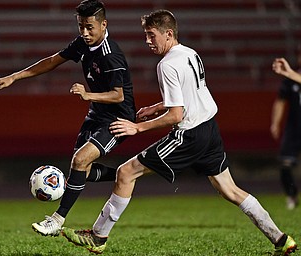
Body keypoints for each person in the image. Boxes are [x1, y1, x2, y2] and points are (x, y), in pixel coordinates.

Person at [61, 9, 297, 255]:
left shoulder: (166, 65)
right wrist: (154, 107)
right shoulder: (190, 53)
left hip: (189, 134)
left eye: (152, 36)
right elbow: (190, 94)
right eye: (146, 35)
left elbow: (176, 115)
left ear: (169, 34)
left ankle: (98, 237)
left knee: (126, 172)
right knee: (231, 190)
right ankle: (281, 239)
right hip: (209, 129)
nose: (148, 41)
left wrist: (137, 127)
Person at [0, 0, 136, 236]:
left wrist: (87, 94)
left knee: (79, 161)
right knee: (80, 170)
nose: (84, 33)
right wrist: (15, 76)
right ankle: (127, 173)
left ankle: (57, 220)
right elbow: (53, 61)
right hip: (97, 114)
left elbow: (118, 96)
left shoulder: (111, 55)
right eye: (80, 26)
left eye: (89, 27)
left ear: (104, 24)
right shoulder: (83, 44)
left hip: (118, 120)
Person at [271, 53, 301, 210]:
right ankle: (291, 195)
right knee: (285, 164)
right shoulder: (290, 82)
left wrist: (287, 72)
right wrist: (275, 123)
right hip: (294, 129)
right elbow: (280, 101)